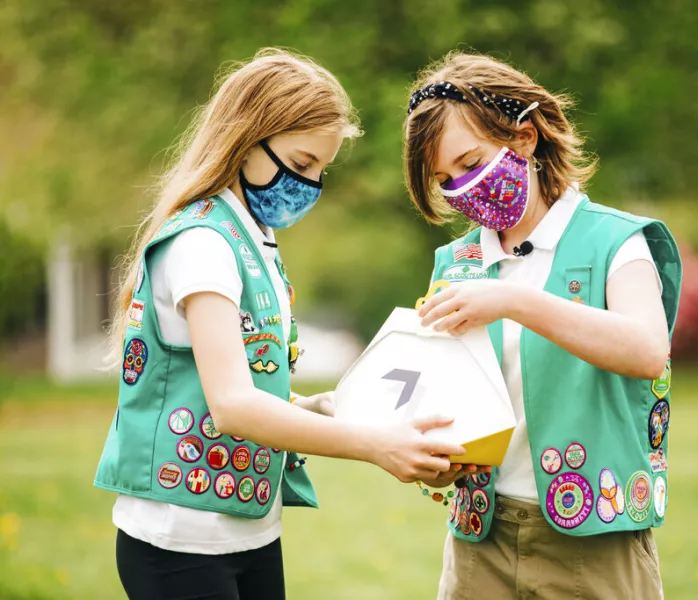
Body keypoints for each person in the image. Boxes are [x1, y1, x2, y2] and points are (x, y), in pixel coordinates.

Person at [95, 48, 465, 600]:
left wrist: (327, 406)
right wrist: (372, 445)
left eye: (320, 169)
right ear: (247, 139)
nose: (309, 184)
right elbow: (233, 405)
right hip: (179, 543)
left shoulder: (254, 241)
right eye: (300, 163)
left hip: (251, 530)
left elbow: (248, 386)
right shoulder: (202, 244)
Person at [405, 52, 682, 599]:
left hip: (595, 541)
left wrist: (514, 300)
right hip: (478, 541)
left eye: (470, 161)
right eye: (445, 179)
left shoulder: (616, 242)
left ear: (525, 138)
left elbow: (648, 350)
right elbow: (444, 399)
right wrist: (438, 461)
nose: (461, 187)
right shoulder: (454, 264)